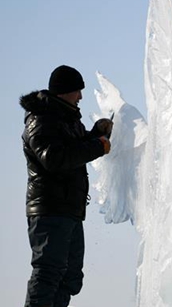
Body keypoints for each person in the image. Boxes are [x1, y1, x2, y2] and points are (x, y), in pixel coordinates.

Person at [19, 65, 113, 307]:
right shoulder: (41, 120)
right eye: (77, 91)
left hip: (68, 210)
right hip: (50, 210)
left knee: (70, 277)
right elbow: (54, 158)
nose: (80, 97)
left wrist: (96, 134)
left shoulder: (65, 119)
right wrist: (96, 147)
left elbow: (73, 146)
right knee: (49, 272)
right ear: (64, 92)